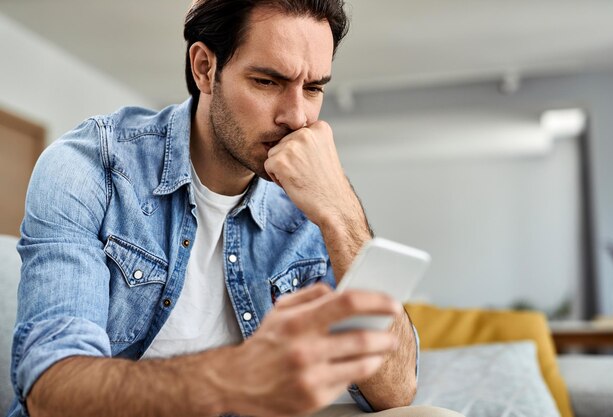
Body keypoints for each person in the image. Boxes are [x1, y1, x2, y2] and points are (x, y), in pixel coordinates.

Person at [8, 1, 463, 416]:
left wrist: (340, 211)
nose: (298, 117)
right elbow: (51, 391)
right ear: (205, 68)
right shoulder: (90, 166)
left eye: (314, 88)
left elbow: (394, 391)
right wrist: (240, 376)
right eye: (268, 82)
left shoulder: (310, 198)